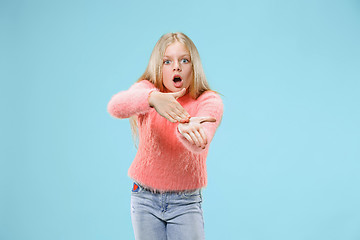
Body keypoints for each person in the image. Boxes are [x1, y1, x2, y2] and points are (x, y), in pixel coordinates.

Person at [107, 32, 223, 240]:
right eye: (167, 61)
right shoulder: (147, 90)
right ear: (158, 67)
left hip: (185, 203)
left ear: (193, 66)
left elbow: (201, 142)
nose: (176, 67)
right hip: (144, 198)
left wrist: (185, 129)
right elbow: (116, 107)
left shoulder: (208, 100)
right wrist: (152, 99)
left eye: (184, 60)